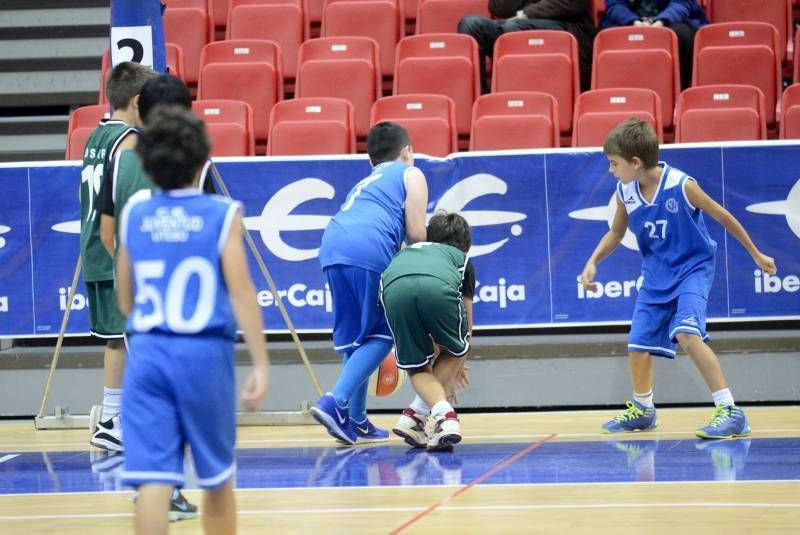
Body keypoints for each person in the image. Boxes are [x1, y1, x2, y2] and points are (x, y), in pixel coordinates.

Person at [116, 106, 269, 534]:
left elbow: (125, 299)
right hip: (203, 354)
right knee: (217, 479)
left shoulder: (134, 215)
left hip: (147, 354)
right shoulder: (223, 213)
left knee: (154, 480)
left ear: (147, 163)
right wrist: (260, 362)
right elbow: (241, 291)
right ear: (204, 160)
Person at [580, 118, 777, 439]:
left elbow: (724, 216)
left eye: (614, 164)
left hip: (692, 269)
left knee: (686, 334)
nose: (610, 170)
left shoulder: (681, 185)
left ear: (635, 162)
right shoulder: (625, 191)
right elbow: (616, 232)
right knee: (637, 343)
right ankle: (643, 410)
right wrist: (592, 261)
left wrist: (756, 253)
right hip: (656, 274)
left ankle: (730, 411)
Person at [95, 73, 207, 521]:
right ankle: (168, 489)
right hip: (182, 306)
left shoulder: (120, 159)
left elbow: (109, 235)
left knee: (149, 402)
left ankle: (150, 487)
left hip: (141, 303)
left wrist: (134, 281)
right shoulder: (191, 158)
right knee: (179, 404)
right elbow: (210, 234)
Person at [310, 122, 428, 445]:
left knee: (356, 338)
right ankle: (335, 401)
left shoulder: (366, 182)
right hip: (369, 247)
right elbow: (417, 233)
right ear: (407, 151)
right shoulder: (411, 173)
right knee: (386, 331)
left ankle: (357, 419)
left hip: (332, 245)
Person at [81, 61, 156, 452]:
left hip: (93, 249)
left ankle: (113, 418)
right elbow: (131, 199)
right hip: (115, 252)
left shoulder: (95, 136)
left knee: (117, 339)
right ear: (139, 101)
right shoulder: (128, 141)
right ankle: (120, 419)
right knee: (135, 337)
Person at [381, 212, 475, 450]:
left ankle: (413, 418)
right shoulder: (460, 259)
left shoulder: (407, 251)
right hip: (436, 287)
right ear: (466, 245)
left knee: (418, 366)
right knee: (456, 349)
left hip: (392, 289)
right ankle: (446, 418)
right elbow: (465, 326)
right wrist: (457, 362)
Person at [96, 73, 215, 261]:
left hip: (137, 283)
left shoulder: (119, 162)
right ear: (187, 114)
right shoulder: (197, 163)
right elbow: (213, 239)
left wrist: (130, 270)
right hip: (186, 281)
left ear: (141, 114)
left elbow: (106, 235)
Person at [458, 0, 597, 92]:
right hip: (513, 25)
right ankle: (483, 98)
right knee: (470, 24)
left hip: (564, 28)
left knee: (513, 30)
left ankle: (515, 94)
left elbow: (572, 5)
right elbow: (498, 7)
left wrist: (525, 14)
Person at [601, 0, 708, 89]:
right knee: (611, 37)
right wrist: (635, 23)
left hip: (673, 20)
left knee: (681, 35)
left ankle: (684, 91)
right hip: (631, 21)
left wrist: (660, 22)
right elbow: (614, 5)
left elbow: (681, 4)